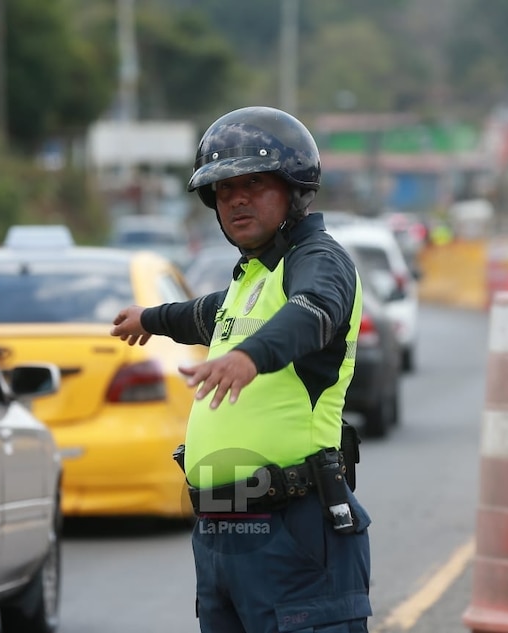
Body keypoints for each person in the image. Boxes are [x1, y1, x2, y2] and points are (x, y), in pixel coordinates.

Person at [111, 105, 372, 633]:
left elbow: (313, 313)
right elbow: (205, 315)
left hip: (293, 531)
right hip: (222, 536)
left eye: (254, 183)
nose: (236, 199)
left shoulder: (319, 260)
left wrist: (251, 356)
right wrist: (151, 318)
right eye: (224, 190)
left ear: (294, 187)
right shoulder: (252, 276)